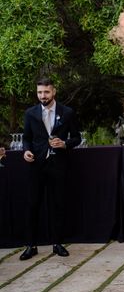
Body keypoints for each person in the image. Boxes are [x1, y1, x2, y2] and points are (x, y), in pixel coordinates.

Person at [21, 78, 81, 261]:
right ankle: (31, 246)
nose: (42, 96)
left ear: (53, 92)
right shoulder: (30, 113)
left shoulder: (67, 112)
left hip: (58, 166)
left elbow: (76, 138)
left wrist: (64, 144)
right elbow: (26, 138)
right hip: (36, 166)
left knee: (58, 205)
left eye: (46, 92)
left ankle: (57, 244)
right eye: (39, 92)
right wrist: (26, 151)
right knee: (33, 205)